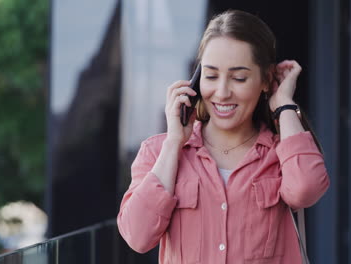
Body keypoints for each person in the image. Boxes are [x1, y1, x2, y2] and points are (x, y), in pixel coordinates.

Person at [117, 9, 330, 264]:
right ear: (196, 80)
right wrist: (174, 142)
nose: (222, 92)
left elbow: (306, 190)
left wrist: (283, 103)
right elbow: (137, 236)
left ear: (265, 80)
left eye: (239, 78)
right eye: (211, 76)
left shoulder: (280, 152)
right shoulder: (158, 151)